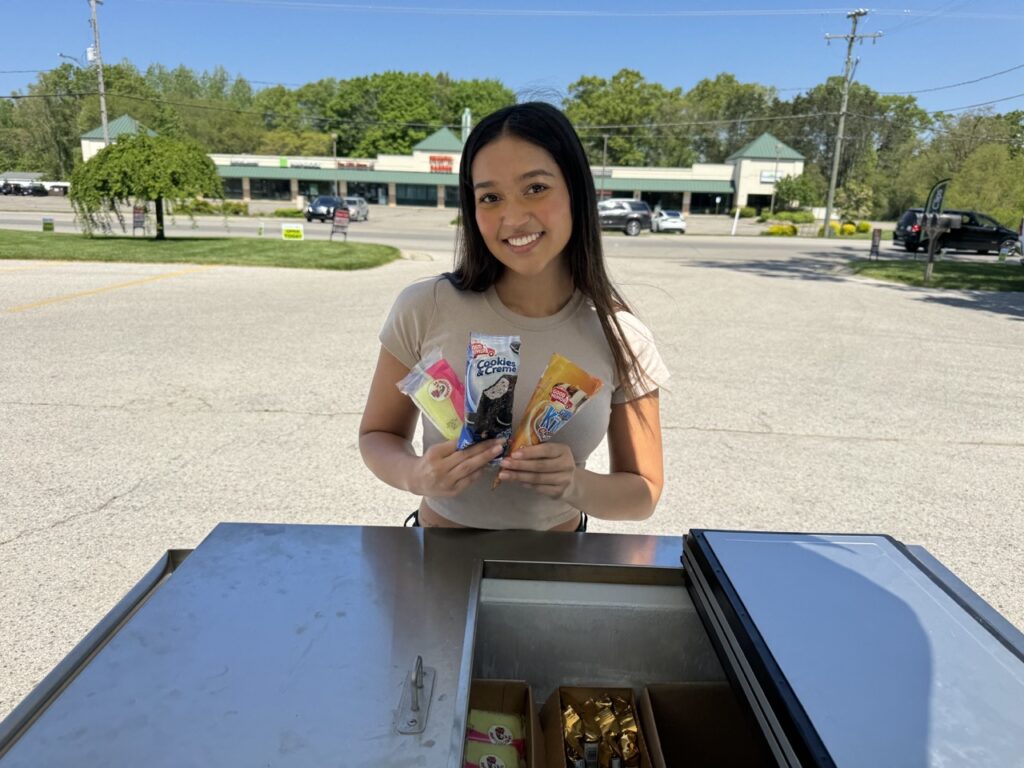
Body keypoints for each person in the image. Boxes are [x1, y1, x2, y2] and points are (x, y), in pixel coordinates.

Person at [358, 101, 669, 531]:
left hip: (557, 569)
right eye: (490, 197)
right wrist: (415, 474)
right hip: (436, 558)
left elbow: (643, 493)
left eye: (536, 188)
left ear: (576, 191)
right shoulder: (424, 306)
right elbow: (378, 436)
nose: (514, 217)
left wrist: (574, 484)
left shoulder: (622, 335)